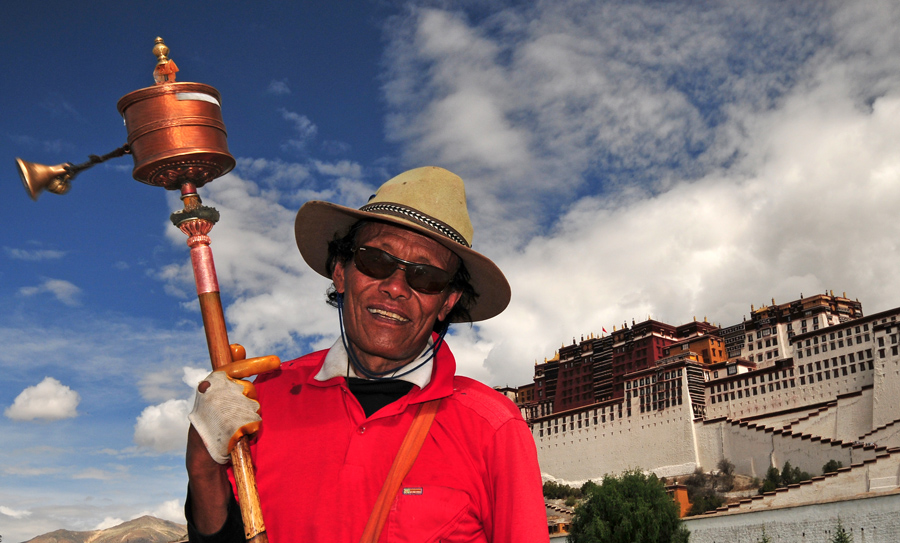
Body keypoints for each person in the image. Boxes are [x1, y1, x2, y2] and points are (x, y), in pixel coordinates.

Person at [185, 166, 548, 542]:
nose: (395, 287)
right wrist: (203, 463)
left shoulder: (493, 427)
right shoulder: (267, 397)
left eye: (425, 276)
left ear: (446, 302)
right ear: (341, 273)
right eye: (376, 261)